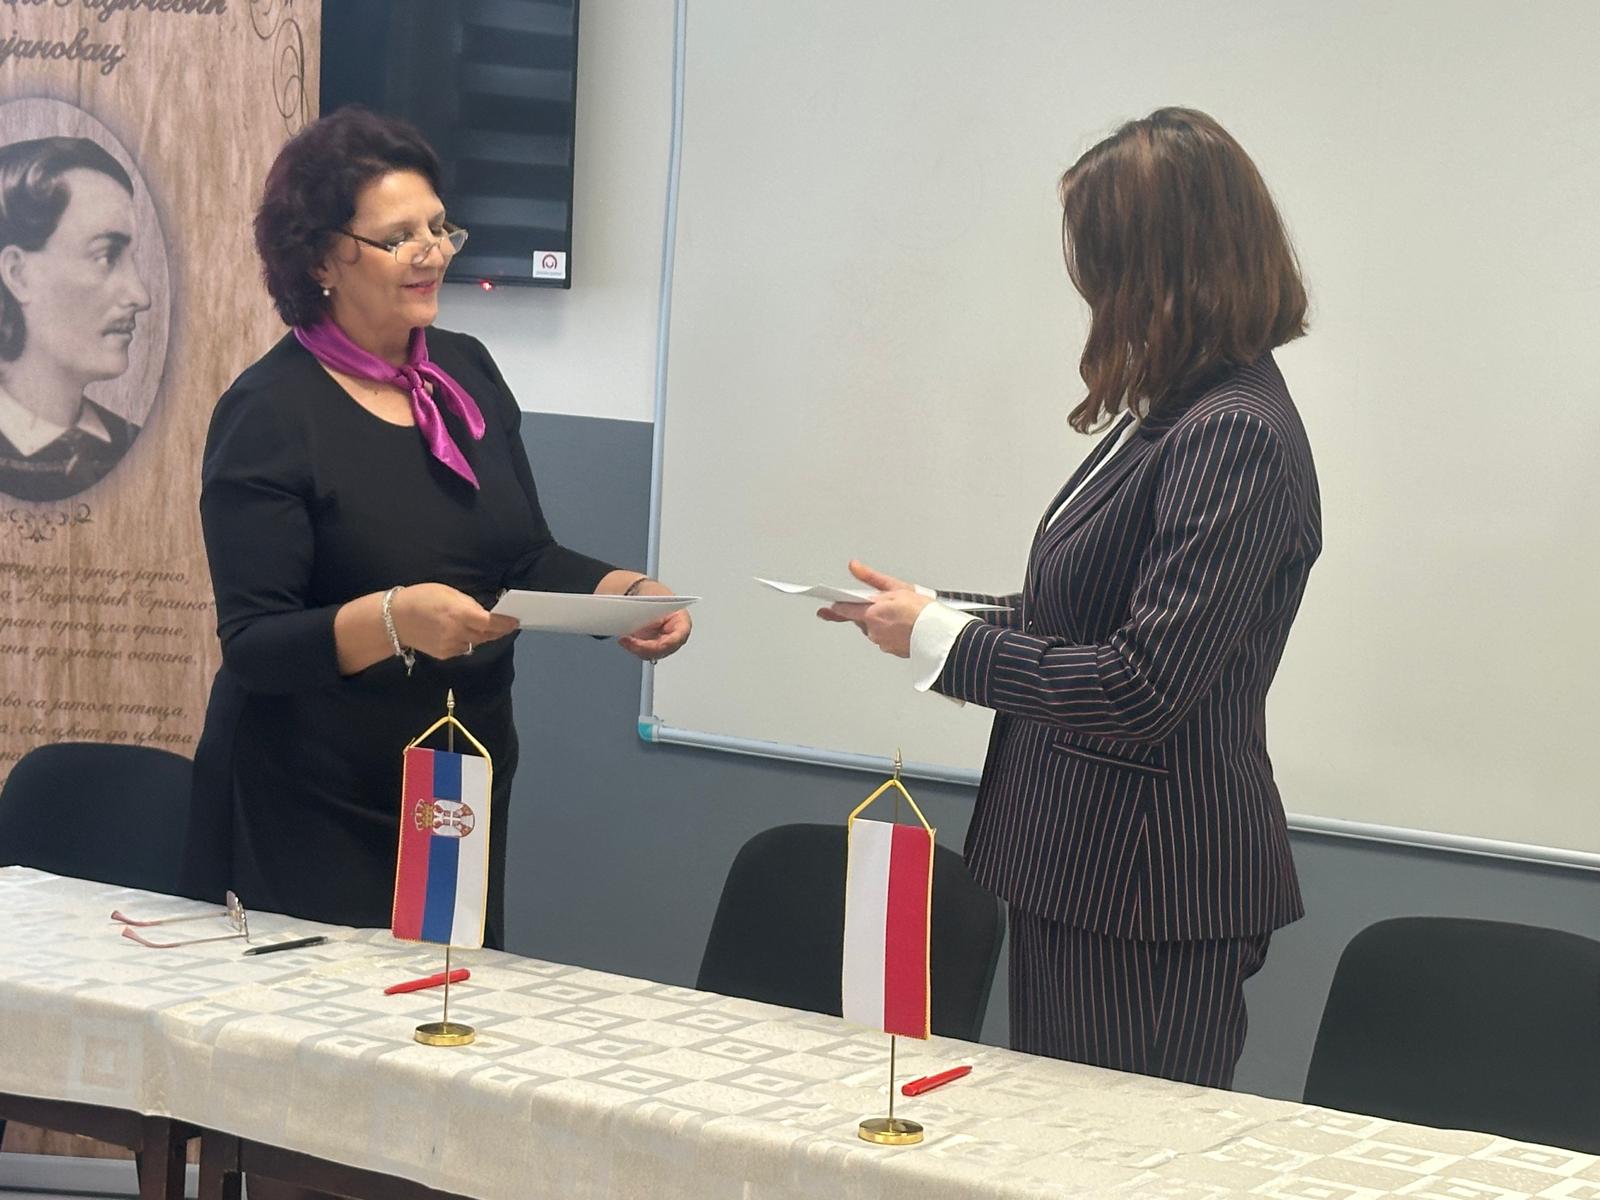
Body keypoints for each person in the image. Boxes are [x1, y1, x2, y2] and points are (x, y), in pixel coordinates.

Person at [822, 108, 1320, 1089]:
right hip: (1082, 866)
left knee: (1116, 1156)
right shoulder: (1175, 410)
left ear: (1159, 264)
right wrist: (932, 615)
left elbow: (1141, 684)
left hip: (1145, 886)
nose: (1089, 287)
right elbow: (1083, 618)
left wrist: (948, 644)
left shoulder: (1233, 433)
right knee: (1057, 1143)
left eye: (1100, 259)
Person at [188, 106, 690, 947]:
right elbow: (256, 645)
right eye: (399, 237)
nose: (432, 253)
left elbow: (521, 554)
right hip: (314, 799)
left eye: (438, 228)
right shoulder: (268, 412)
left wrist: (625, 592)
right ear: (321, 259)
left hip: (460, 776)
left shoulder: (465, 369)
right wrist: (394, 619)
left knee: (452, 1010)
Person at [0, 136, 150, 502]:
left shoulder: (132, 444)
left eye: (131, 259)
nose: (140, 296)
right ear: (18, 274)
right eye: (106, 256)